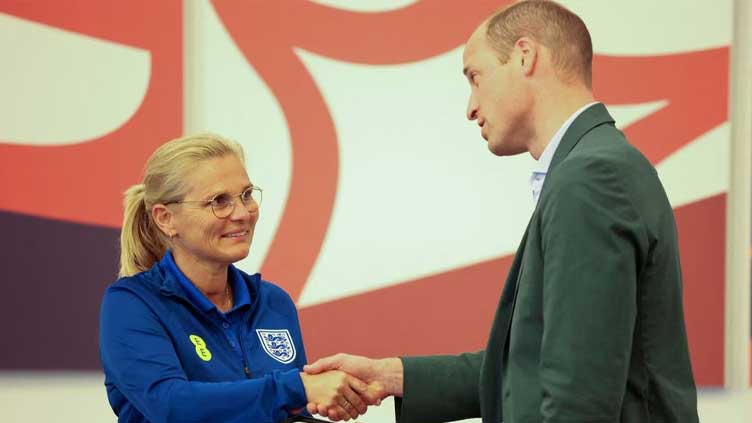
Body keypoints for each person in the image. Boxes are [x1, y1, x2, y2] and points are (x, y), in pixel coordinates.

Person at [304, 1, 699, 422]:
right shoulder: (596, 166)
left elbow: (578, 399)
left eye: (475, 77)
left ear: (525, 56)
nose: (470, 107)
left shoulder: (589, 178)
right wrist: (389, 375)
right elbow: (529, 371)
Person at [99, 133, 376, 423]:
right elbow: (171, 406)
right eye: (219, 201)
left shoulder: (272, 301)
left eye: (246, 195)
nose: (243, 213)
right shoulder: (132, 304)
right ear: (166, 218)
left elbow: (288, 411)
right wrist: (299, 388)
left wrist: (330, 399)